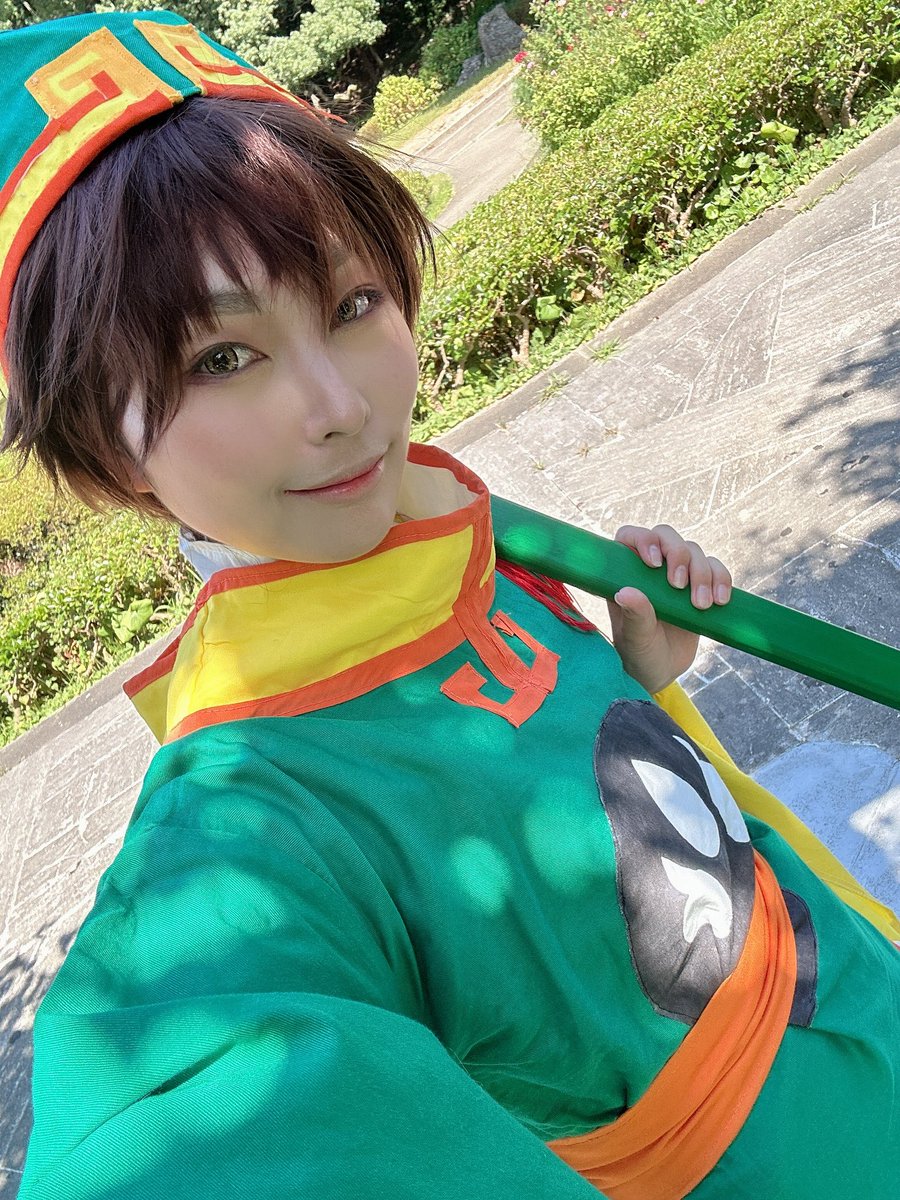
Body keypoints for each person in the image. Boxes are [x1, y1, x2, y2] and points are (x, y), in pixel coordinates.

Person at [1, 11, 897, 1200]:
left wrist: (639, 680)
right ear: (106, 454)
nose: (341, 408)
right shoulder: (250, 816)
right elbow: (170, 1106)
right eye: (221, 358)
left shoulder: (451, 527)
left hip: (857, 994)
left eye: (353, 303)